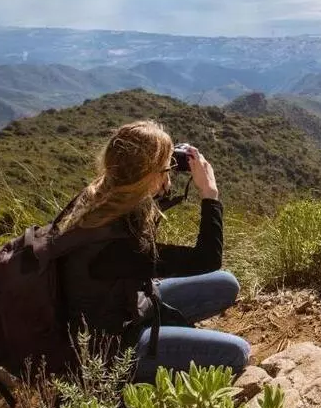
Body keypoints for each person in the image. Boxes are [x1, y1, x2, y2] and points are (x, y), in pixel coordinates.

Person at [55, 120, 250, 381]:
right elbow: (206, 259)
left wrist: (160, 179)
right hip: (114, 347)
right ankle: (134, 379)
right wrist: (209, 195)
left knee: (225, 283)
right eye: (165, 168)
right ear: (147, 176)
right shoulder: (117, 247)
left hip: (129, 303)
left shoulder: (98, 196)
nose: (169, 171)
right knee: (237, 352)